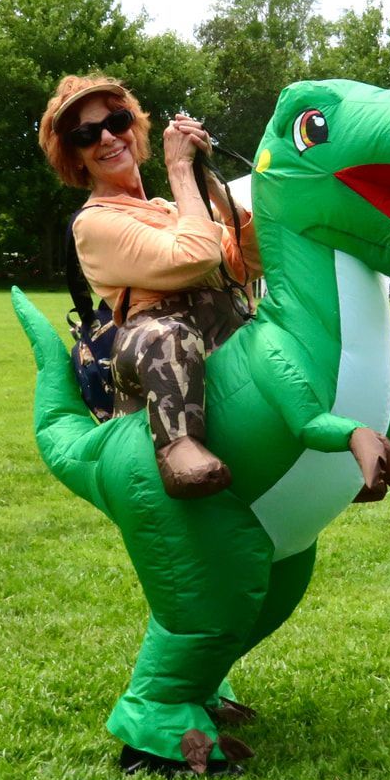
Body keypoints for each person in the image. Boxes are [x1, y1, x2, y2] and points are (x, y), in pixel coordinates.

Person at [39, 75, 262, 500]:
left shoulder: (170, 209)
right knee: (166, 334)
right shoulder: (94, 222)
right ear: (75, 157)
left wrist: (207, 184)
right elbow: (195, 256)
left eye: (117, 121)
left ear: (134, 128)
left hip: (219, 332)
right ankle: (177, 448)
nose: (107, 138)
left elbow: (248, 262)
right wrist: (178, 169)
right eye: (86, 135)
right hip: (152, 350)